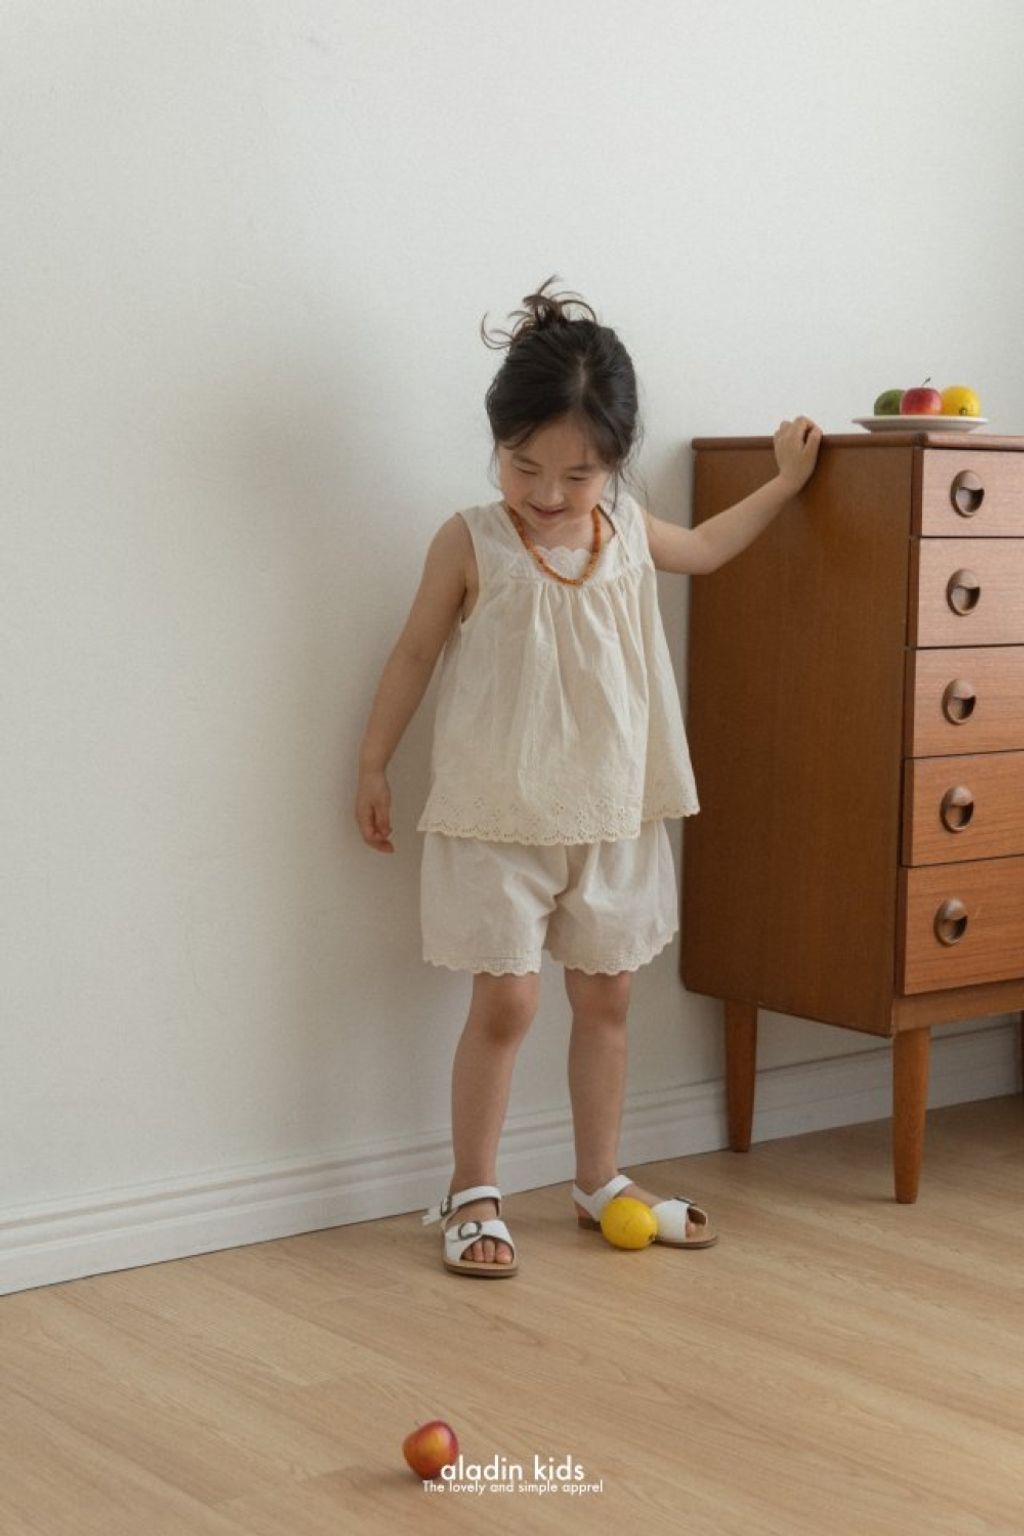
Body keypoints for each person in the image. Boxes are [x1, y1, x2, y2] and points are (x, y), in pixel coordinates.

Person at [354, 276, 822, 1278]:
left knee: (607, 1000)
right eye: (524, 467)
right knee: (508, 1006)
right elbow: (415, 652)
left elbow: (706, 548)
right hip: (498, 813)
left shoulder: (629, 533)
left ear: (615, 461)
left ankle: (597, 1179)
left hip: (612, 810)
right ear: (497, 445)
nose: (548, 493)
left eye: (578, 474)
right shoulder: (471, 539)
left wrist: (784, 484)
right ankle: (473, 1190)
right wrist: (373, 760)